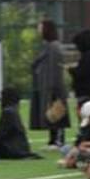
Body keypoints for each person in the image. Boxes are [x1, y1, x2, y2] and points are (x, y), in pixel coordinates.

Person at [30, 19, 69, 149]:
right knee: (50, 114)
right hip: (46, 85)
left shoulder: (54, 46)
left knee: (57, 113)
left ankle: (58, 140)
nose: (38, 30)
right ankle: (52, 140)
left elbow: (56, 68)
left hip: (54, 87)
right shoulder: (47, 46)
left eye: (40, 27)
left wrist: (53, 86)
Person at [0, 87, 41, 159]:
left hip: (10, 150)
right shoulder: (14, 111)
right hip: (21, 148)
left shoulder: (7, 112)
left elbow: (2, 134)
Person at [68, 29, 90, 127]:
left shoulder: (88, 57)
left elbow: (82, 73)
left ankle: (86, 133)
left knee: (86, 117)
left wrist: (72, 70)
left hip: (86, 92)